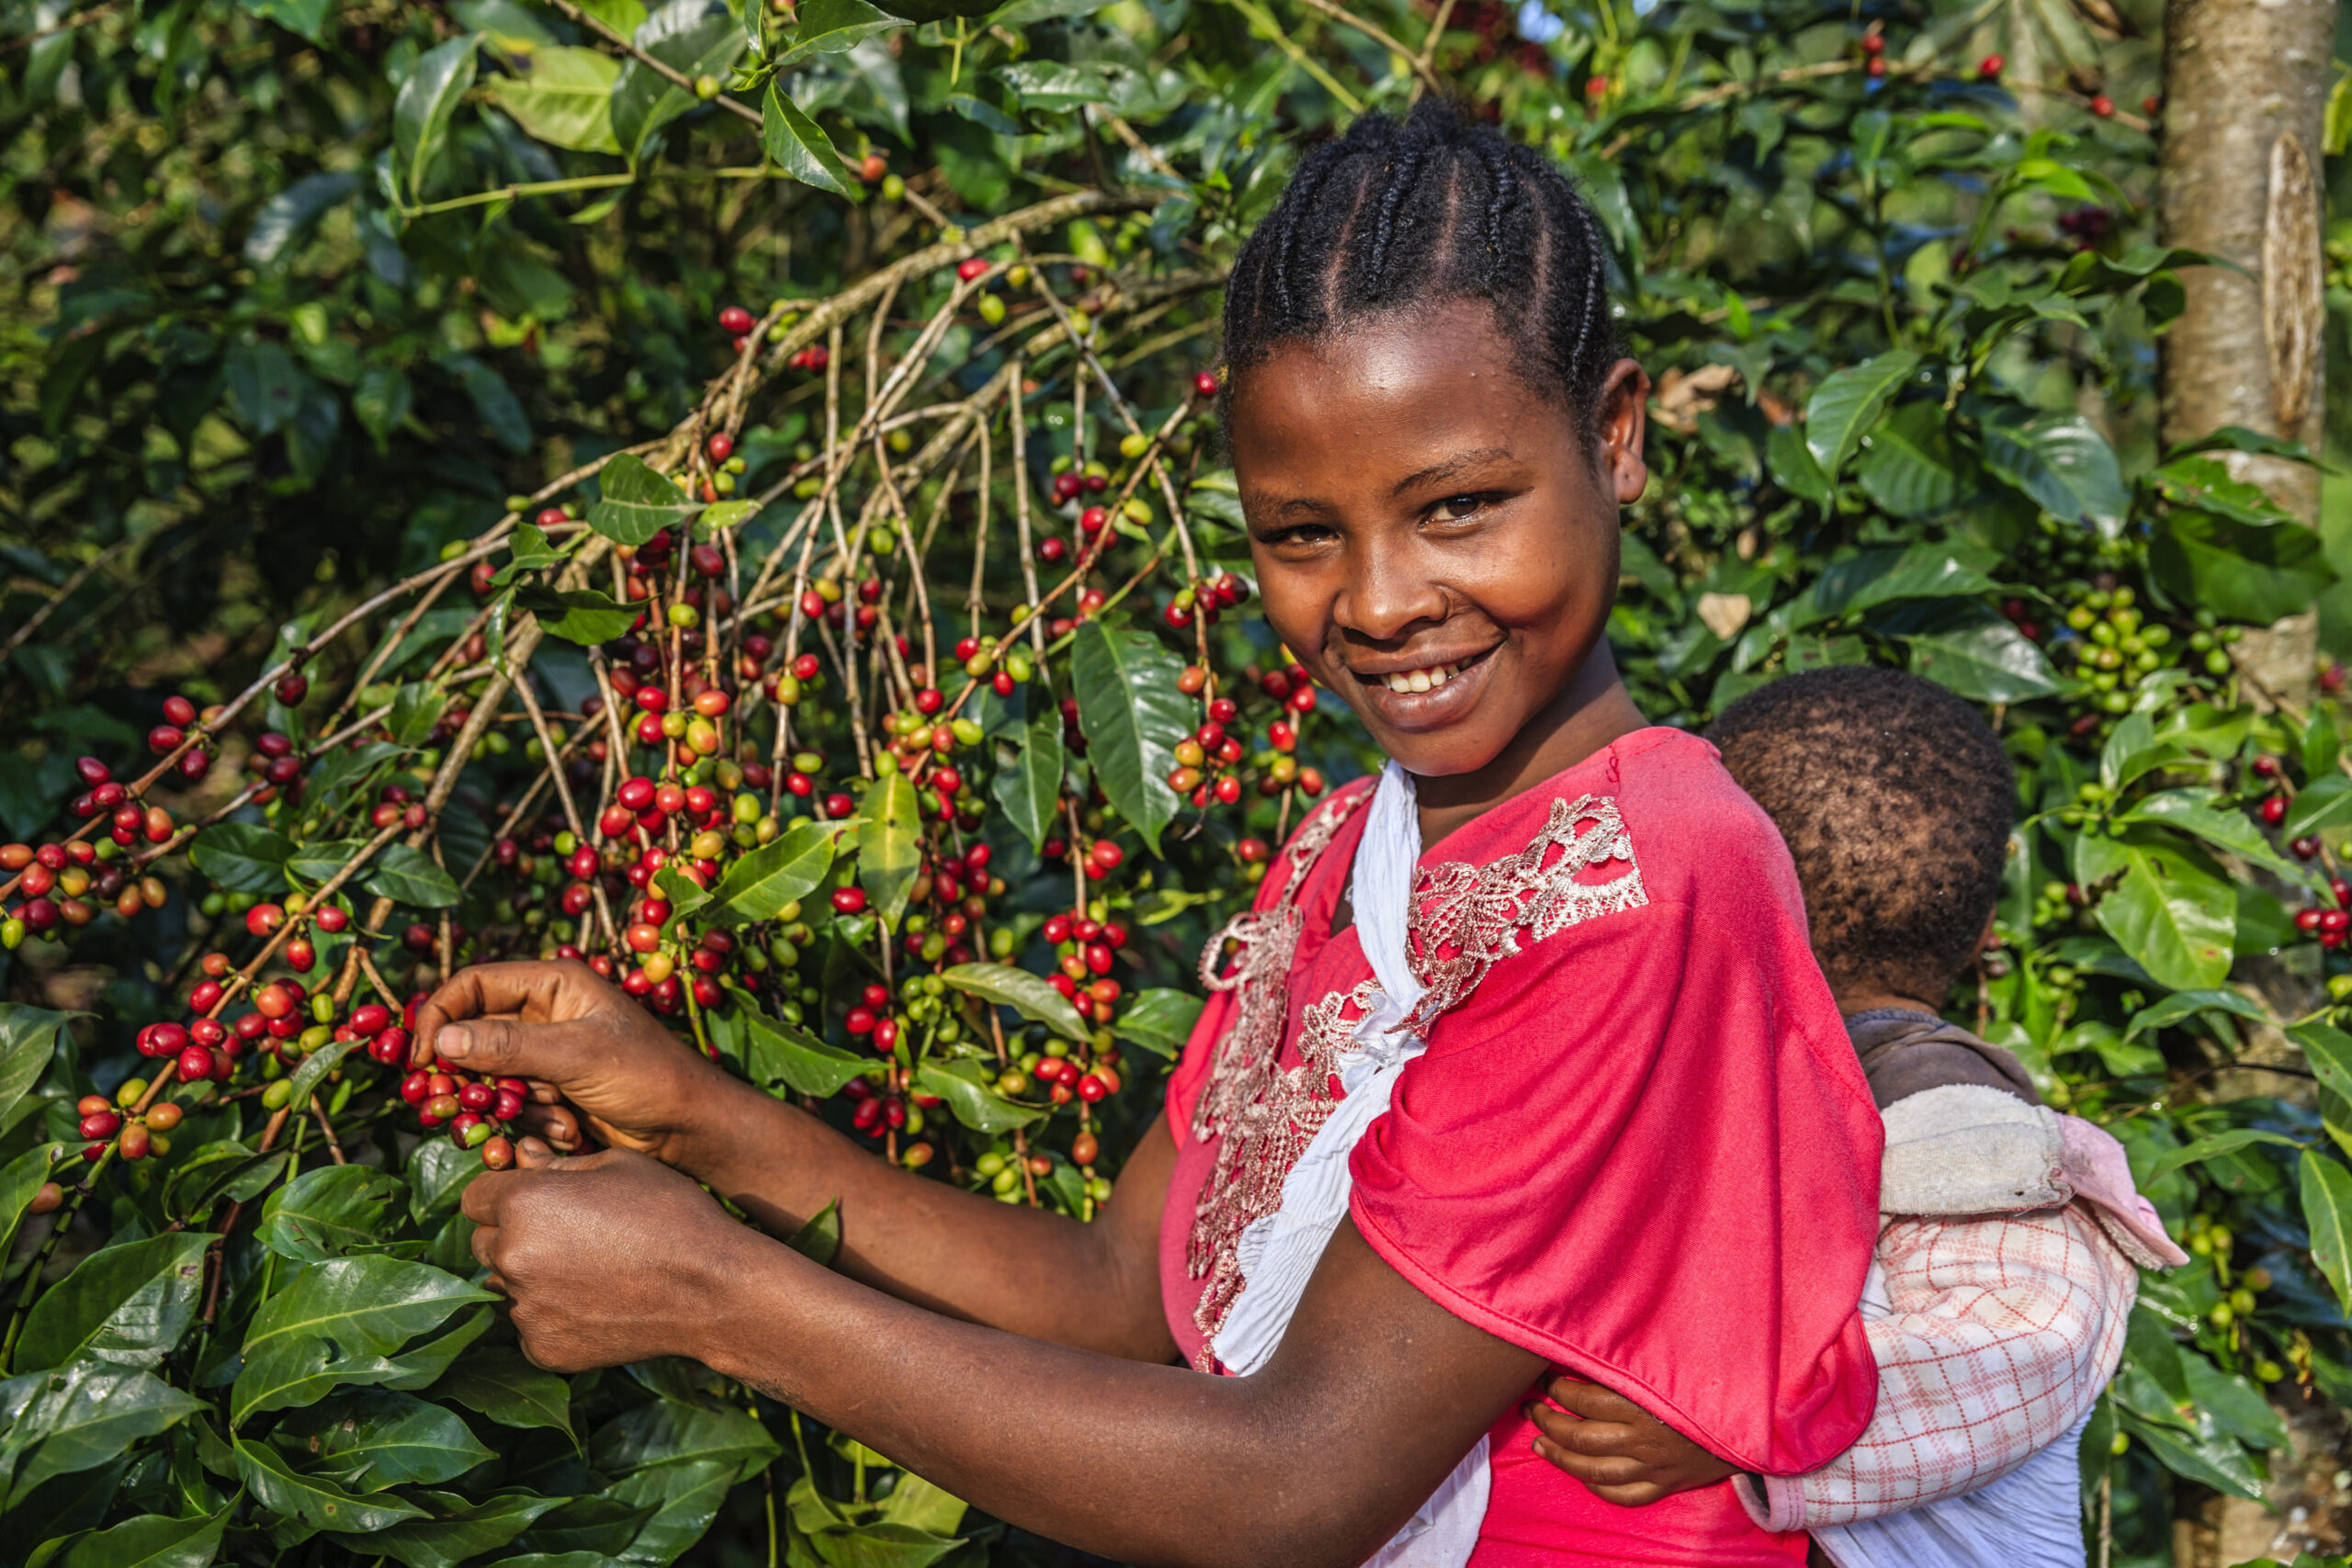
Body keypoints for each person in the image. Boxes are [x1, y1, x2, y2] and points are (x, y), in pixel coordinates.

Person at [412, 102, 1886, 1567]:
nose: (1375, 601)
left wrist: (712, 1293)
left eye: (1460, 507)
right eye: (1301, 532)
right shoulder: (1348, 844)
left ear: (1615, 437)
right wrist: (697, 1117)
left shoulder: (1638, 878)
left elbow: (1296, 1482)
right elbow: (1123, 1287)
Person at [1520, 667, 2188, 1568]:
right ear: (1986, 929)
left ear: (1717, 882)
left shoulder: (1948, 1111)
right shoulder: (1718, 1079)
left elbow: (2033, 1345)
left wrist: (1746, 1428)